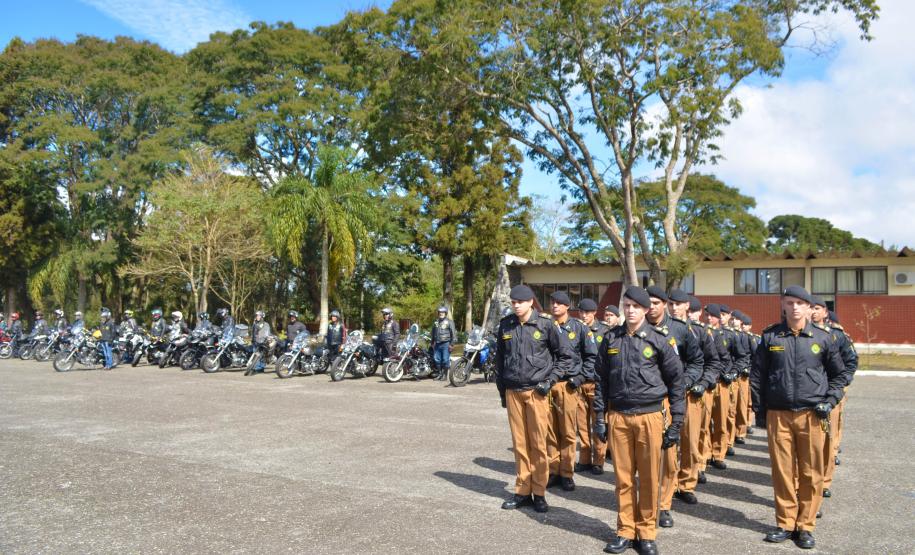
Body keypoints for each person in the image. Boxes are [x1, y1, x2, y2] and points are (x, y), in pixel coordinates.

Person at [751, 286, 847, 550]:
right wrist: (759, 411)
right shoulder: (770, 336)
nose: (794, 308)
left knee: (811, 472)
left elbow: (839, 375)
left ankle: (805, 526)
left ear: (809, 307)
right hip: (778, 415)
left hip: (811, 415)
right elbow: (757, 375)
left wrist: (829, 401)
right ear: (782, 304)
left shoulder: (823, 338)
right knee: (782, 472)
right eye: (789, 302)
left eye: (800, 303)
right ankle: (785, 523)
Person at [593, 286, 684, 555]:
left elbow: (676, 382)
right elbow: (601, 381)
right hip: (619, 416)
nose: (630, 310)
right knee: (623, 478)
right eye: (627, 305)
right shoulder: (611, 339)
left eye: (636, 306)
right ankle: (625, 530)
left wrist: (676, 422)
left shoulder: (659, 340)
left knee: (648, 477)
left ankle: (646, 532)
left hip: (650, 416)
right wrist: (599, 417)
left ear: (646, 310)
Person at [496, 284, 573, 514]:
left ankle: (538, 492)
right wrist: (502, 392)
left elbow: (565, 357)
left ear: (531, 302)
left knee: (539, 444)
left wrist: (549, 382)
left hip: (536, 391)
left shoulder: (546, 324)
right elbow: (500, 361)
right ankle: (522, 490)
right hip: (513, 392)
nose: (516, 305)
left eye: (520, 302)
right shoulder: (506, 325)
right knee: (520, 444)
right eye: (513, 302)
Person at [648, 287, 703, 527]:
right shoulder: (637, 328)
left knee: (668, 452)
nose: (650, 307)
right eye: (646, 302)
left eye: (656, 302)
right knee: (647, 454)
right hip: (644, 398)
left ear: (664, 304)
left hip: (672, 397)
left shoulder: (681, 330)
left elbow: (698, 361)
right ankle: (648, 500)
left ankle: (663, 504)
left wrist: (684, 383)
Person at [546, 291, 594, 491]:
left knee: (567, 431)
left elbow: (591, 357)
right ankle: (553, 471)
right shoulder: (544, 325)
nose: (555, 306)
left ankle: (566, 472)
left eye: (560, 303)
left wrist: (580, 378)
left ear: (567, 306)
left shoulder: (579, 328)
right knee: (550, 431)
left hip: (569, 385)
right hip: (547, 384)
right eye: (553, 303)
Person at [811, 299, 858, 502]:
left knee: (827, 441)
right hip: (807, 396)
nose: (813, 312)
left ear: (825, 312)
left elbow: (851, 362)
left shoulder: (836, 335)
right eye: (810, 307)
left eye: (817, 308)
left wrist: (840, 386)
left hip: (829, 395)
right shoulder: (798, 335)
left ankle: (824, 481)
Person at [685, 295, 722, 491]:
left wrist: (705, 382)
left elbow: (714, 361)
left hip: (700, 389)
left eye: (692, 311)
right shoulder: (669, 330)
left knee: (700, 430)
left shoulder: (703, 333)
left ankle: (698, 466)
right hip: (675, 391)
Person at [575, 298, 610, 474]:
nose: (584, 315)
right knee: (581, 424)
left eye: (588, 312)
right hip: (579, 384)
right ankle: (584, 458)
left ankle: (598, 460)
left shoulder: (604, 331)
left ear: (594, 313)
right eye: (581, 312)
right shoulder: (575, 329)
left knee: (598, 423)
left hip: (597, 384)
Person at [704, 303, 733, 471]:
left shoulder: (723, 335)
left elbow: (726, 359)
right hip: (707, 383)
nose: (709, 318)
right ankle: (705, 454)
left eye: (712, 316)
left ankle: (719, 453)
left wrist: (720, 374)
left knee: (721, 419)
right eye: (707, 315)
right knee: (705, 422)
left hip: (720, 381)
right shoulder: (700, 332)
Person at [430, 306, 456, 381]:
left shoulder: (450, 322)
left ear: (445, 313)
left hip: (446, 343)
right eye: (440, 312)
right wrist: (432, 342)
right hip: (437, 344)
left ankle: (445, 375)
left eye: (443, 312)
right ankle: (440, 374)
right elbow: (433, 333)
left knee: (445, 360)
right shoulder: (436, 322)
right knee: (437, 359)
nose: (441, 314)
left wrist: (451, 344)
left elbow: (453, 334)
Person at [245, 310, 272, 375]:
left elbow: (267, 333)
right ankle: (256, 368)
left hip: (262, 342)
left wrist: (267, 338)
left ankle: (260, 368)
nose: (257, 316)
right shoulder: (255, 323)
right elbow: (253, 332)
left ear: (262, 316)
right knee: (256, 355)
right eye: (256, 315)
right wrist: (251, 338)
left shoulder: (266, 324)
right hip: (255, 342)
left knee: (261, 356)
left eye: (259, 315)